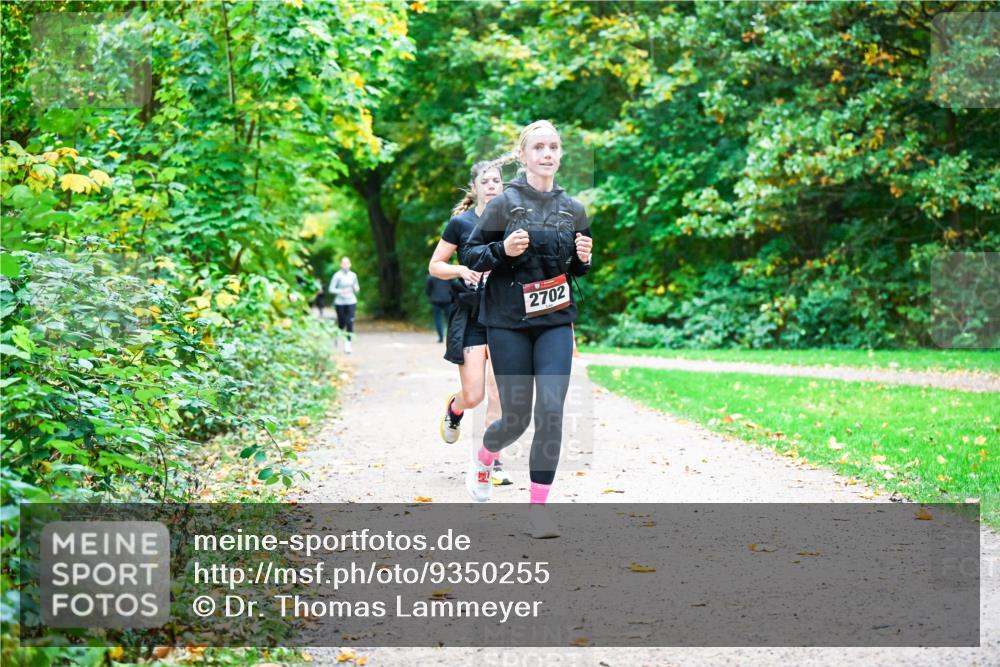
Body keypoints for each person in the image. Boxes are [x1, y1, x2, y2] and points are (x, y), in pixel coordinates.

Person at [460, 120, 593, 538]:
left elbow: (574, 268)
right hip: (508, 322)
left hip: (555, 320)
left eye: (554, 146)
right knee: (515, 418)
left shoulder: (575, 209)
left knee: (551, 413)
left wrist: (583, 259)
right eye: (539, 147)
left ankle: (538, 509)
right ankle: (484, 457)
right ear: (523, 155)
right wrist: (503, 249)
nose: (548, 154)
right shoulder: (504, 204)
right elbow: (472, 254)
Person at [428, 161, 509, 485]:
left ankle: (493, 461)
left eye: (497, 181)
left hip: (504, 316)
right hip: (472, 315)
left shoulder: (513, 222)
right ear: (474, 188)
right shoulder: (460, 224)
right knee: (474, 395)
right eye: (485, 181)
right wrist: (461, 270)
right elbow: (436, 265)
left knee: (499, 393)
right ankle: (455, 407)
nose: (491, 185)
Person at [329, 256, 359, 353]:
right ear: (341, 264)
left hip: (351, 301)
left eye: (347, 263)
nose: (346, 265)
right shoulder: (337, 276)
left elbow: (357, 287)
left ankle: (348, 344)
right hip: (340, 302)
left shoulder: (353, 275)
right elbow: (331, 289)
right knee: (341, 323)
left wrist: (355, 289)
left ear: (350, 264)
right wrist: (341, 291)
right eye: (344, 263)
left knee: (350, 322)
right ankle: (336, 336)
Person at [425, 274, 452, 343]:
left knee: (438, 319)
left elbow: (428, 290)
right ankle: (451, 337)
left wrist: (430, 296)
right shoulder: (448, 275)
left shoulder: (431, 276)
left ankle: (441, 337)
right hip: (448, 299)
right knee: (449, 320)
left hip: (436, 300)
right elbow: (453, 286)